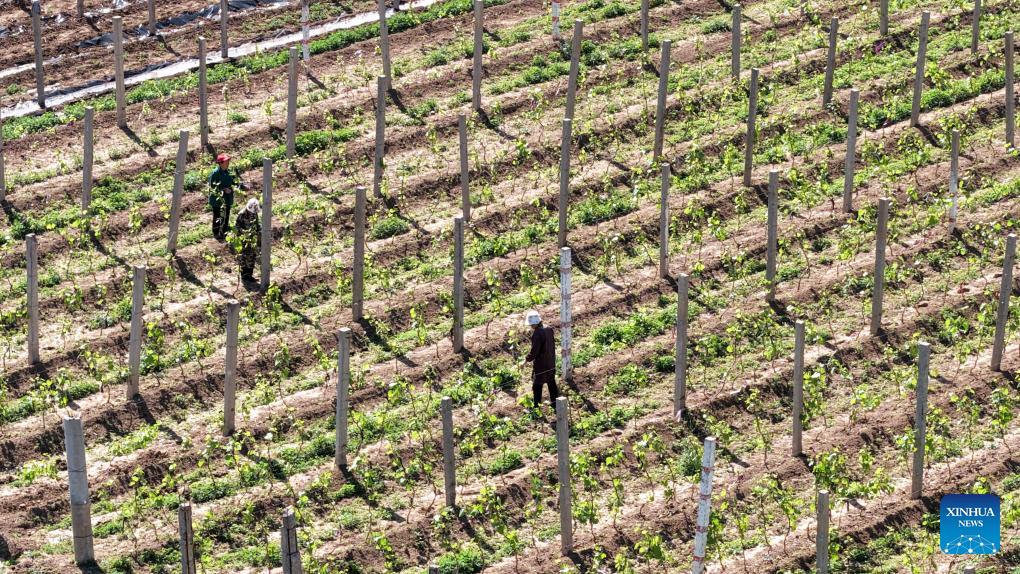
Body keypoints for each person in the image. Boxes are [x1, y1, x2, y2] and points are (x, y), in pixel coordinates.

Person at [524, 310, 559, 411]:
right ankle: (555, 404)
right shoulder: (549, 329)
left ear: (535, 323)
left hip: (541, 364)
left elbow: (534, 352)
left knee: (537, 386)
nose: (531, 326)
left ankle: (536, 408)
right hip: (551, 361)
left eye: (531, 324)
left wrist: (526, 360)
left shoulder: (537, 333)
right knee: (551, 382)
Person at [208, 153, 239, 241]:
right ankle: (216, 232)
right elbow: (212, 187)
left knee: (226, 215)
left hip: (227, 199)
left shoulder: (229, 172)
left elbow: (234, 183)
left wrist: (240, 186)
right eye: (226, 161)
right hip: (217, 201)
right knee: (217, 216)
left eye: (228, 161)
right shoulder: (215, 173)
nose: (228, 163)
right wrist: (223, 190)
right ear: (220, 163)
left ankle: (224, 231)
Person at [234, 198, 261, 284]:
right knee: (244, 257)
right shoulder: (241, 214)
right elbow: (236, 228)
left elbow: (256, 224)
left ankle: (249, 275)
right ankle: (244, 276)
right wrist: (244, 232)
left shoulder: (255, 214)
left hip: (252, 239)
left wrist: (259, 230)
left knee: (252, 256)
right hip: (243, 239)